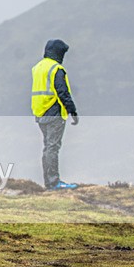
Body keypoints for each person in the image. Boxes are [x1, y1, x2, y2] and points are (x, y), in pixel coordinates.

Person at [31, 39, 79, 190]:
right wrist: (73, 111)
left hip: (40, 112)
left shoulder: (37, 68)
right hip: (54, 112)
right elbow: (63, 92)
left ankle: (49, 182)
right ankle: (54, 183)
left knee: (47, 147)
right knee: (53, 147)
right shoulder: (56, 69)